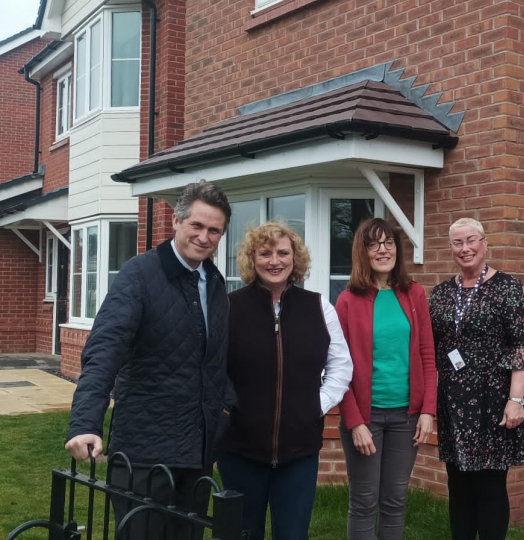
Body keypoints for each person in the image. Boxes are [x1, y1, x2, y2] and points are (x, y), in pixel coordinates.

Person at [65, 181, 234, 538]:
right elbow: (105, 349)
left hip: (197, 452)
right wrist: (85, 421)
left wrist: (226, 410)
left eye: (214, 230)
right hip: (144, 453)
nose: (205, 237)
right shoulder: (139, 274)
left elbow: (215, 360)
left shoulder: (215, 283)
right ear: (176, 220)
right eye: (197, 226)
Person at [218, 222, 353, 540]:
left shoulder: (319, 307)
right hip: (240, 450)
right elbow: (213, 370)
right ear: (253, 259)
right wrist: (227, 410)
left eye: (283, 252)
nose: (274, 261)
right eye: (265, 253)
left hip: (299, 453)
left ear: (296, 258)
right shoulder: (228, 307)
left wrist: (314, 406)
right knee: (240, 534)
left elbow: (341, 368)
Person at [428, 217, 524, 540]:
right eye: (457, 243)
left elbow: (521, 348)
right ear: (450, 249)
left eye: (471, 240)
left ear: (485, 243)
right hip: (453, 405)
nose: (466, 249)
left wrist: (516, 400)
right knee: (458, 485)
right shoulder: (441, 294)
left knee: (490, 486)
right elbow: (428, 347)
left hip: (494, 404)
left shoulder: (509, 289)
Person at [335, 218, 437, 540]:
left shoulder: (414, 294)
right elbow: (337, 366)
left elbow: (427, 355)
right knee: (364, 502)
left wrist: (427, 410)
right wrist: (354, 422)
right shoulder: (347, 301)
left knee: (395, 502)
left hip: (406, 417)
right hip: (366, 418)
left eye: (389, 243)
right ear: (362, 252)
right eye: (374, 244)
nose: (383, 250)